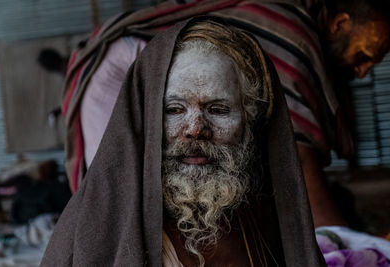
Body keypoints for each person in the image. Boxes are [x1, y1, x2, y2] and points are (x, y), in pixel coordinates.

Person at [61, 0, 390, 227]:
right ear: (340, 23)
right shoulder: (295, 39)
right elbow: (299, 156)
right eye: (364, 55)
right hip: (126, 70)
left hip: (172, 82)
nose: (362, 72)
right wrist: (339, 239)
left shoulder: (296, 26)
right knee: (120, 200)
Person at [41, 18, 325, 266]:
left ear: (249, 121)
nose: (195, 129)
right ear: (146, 120)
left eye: (218, 109)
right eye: (174, 110)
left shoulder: (269, 220)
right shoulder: (95, 233)